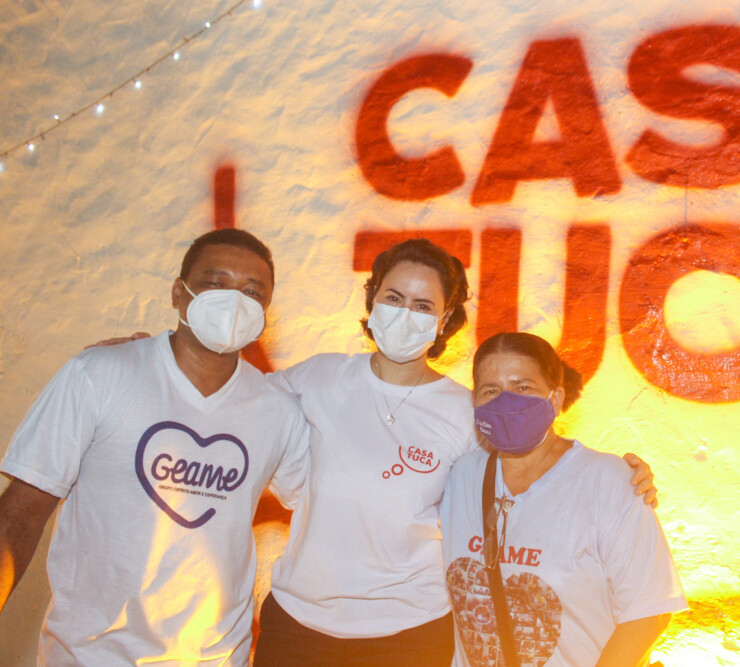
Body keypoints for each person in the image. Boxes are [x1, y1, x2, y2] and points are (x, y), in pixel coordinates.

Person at [252, 239, 658, 666]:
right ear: (372, 299)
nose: (405, 313)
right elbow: (244, 409)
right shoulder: (320, 376)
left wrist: (622, 480)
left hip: (410, 634)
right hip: (298, 621)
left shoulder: (467, 412)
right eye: (394, 298)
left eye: (423, 306)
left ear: (444, 319)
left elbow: (537, 465)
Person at [0, 229, 310, 665]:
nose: (233, 302)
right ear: (179, 294)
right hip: (89, 656)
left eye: (251, 292)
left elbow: (330, 504)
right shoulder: (100, 374)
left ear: (265, 310)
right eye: (215, 283)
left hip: (216, 658)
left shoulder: (277, 409)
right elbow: (18, 517)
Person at [441, 332, 687, 667]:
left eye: (523, 387)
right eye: (491, 390)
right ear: (476, 403)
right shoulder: (460, 476)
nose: (506, 402)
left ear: (555, 399)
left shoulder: (607, 481)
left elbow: (648, 613)